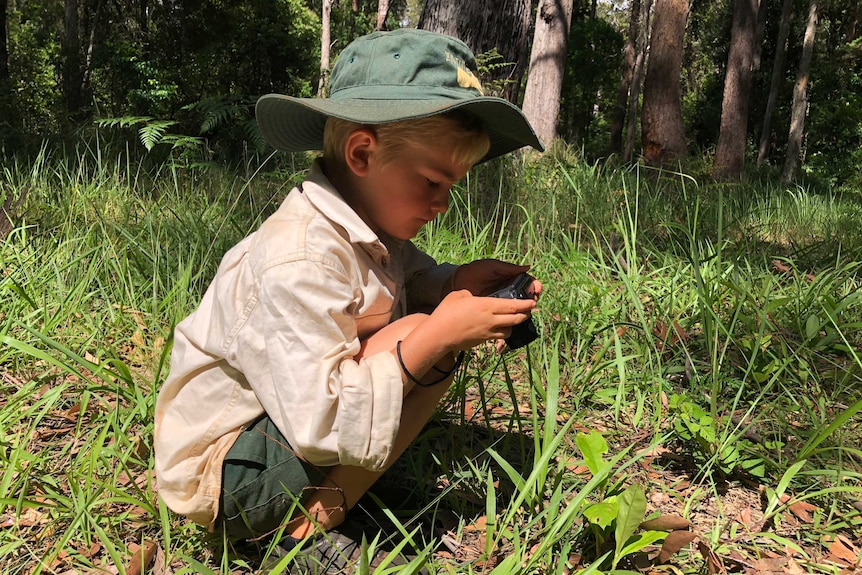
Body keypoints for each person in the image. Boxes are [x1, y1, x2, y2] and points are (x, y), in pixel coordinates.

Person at [153, 27, 544, 572]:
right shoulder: (302, 257)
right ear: (363, 153)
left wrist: (457, 284)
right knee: (422, 335)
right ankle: (289, 533)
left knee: (433, 328)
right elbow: (320, 423)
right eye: (433, 181)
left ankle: (325, 506)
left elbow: (413, 281)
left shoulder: (372, 233)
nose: (443, 203)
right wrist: (435, 334)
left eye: (452, 186)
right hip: (229, 474)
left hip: (281, 434)